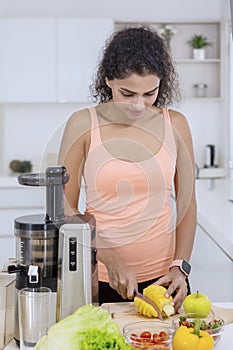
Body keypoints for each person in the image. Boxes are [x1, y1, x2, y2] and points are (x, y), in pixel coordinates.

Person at [58, 25, 197, 313]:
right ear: (108, 80)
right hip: (101, 279)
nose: (139, 104)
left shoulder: (176, 125)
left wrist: (180, 268)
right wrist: (108, 255)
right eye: (128, 93)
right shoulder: (83, 124)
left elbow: (187, 205)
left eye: (150, 93)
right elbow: (63, 208)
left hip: (165, 282)